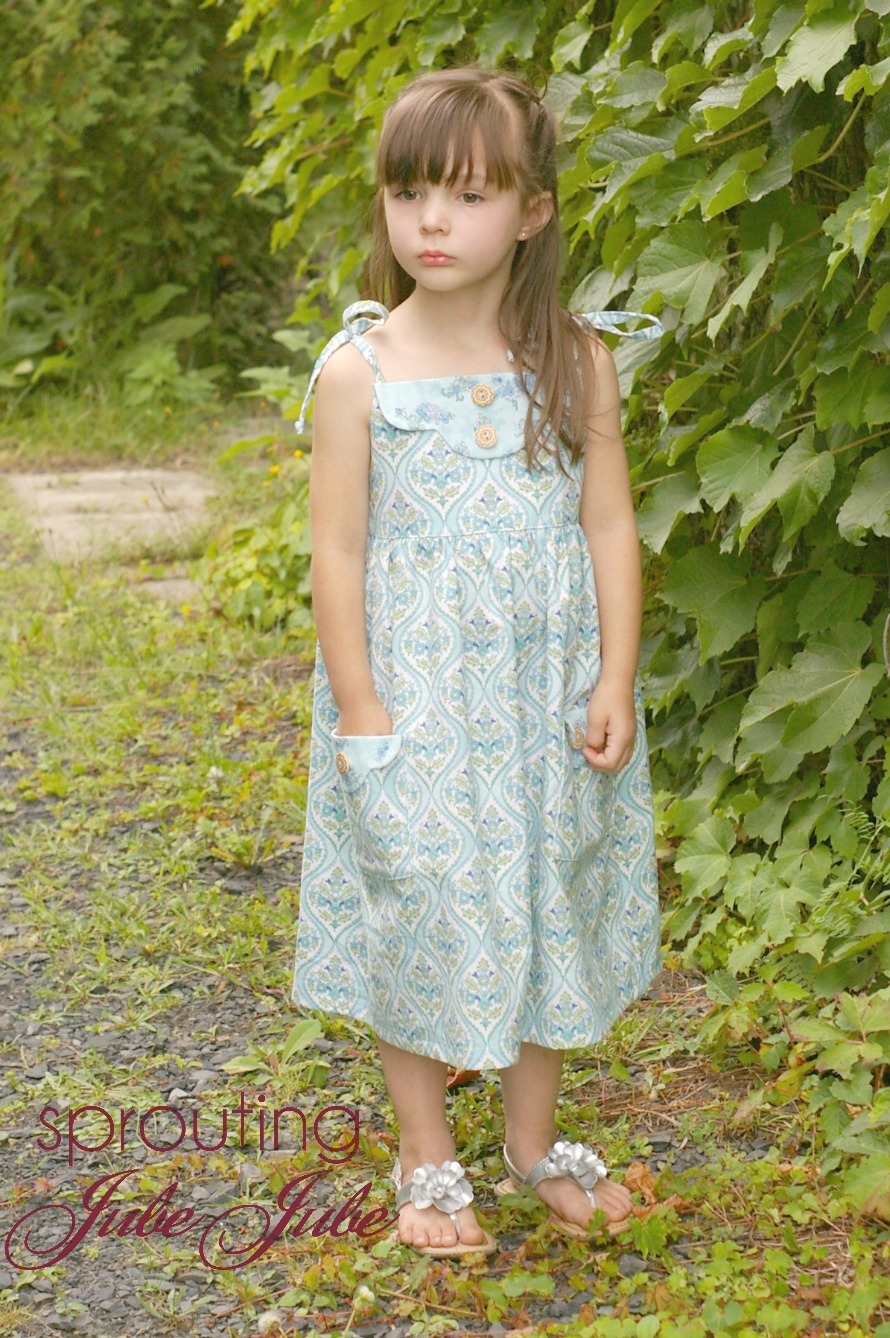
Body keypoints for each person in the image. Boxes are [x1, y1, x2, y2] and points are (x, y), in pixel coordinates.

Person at [291, 67, 663, 1257]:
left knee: (550, 889)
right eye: (408, 194)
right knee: (418, 899)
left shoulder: (574, 362)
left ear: (532, 210)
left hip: (545, 691)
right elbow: (337, 552)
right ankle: (425, 1150)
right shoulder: (359, 373)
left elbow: (606, 523)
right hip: (413, 694)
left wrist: (613, 676)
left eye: (465, 194)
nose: (431, 223)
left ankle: (527, 1139)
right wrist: (361, 707)